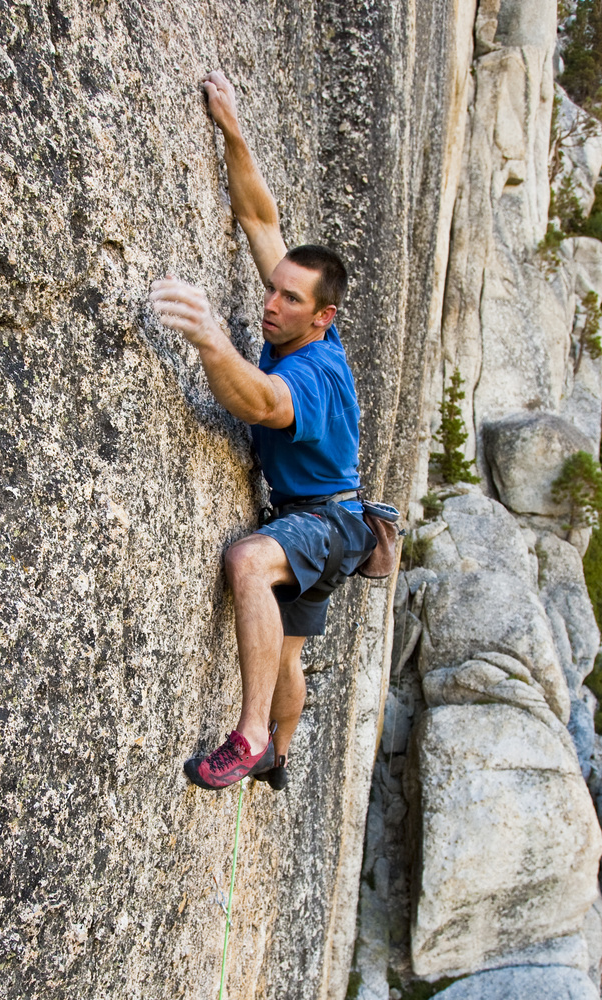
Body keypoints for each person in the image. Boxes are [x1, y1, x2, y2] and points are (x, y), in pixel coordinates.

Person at [149, 70, 376, 791]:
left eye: (287, 297)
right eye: (270, 289)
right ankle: (280, 747)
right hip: (336, 522)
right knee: (284, 657)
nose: (269, 303)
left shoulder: (314, 372)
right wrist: (232, 127)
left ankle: (247, 738)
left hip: (325, 524)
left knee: (249, 561)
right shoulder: (302, 325)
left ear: (322, 316)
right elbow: (258, 218)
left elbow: (262, 404)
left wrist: (215, 344)